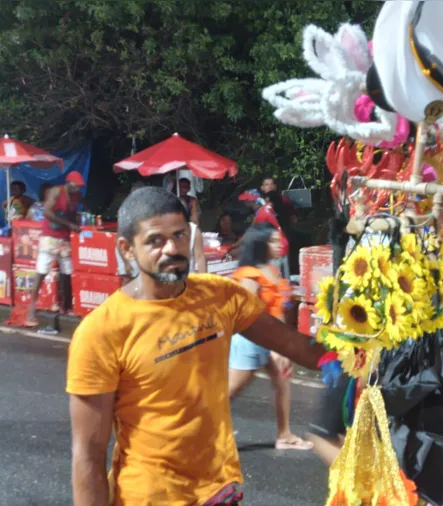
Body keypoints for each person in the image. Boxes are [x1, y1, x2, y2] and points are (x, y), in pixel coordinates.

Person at [66, 187, 325, 506]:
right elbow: (88, 456)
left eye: (178, 235)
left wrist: (366, 351)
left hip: (220, 492)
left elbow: (296, 346)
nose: (171, 248)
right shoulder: (101, 332)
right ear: (127, 249)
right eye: (155, 240)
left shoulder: (220, 296)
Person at [227, 222, 313, 451]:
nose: (279, 245)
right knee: (229, 392)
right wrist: (276, 347)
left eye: (279, 240)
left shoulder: (271, 269)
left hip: (269, 340)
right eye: (273, 241)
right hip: (250, 342)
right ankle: (195, 433)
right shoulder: (250, 275)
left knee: (282, 382)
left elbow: (276, 309)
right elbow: (247, 316)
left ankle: (284, 435)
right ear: (260, 243)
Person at [26, 172, 84, 326]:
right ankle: (31, 310)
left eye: (79, 187)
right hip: (50, 237)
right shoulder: (57, 191)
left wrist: (76, 223)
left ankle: (66, 306)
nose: (77, 189)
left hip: (64, 238)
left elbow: (73, 213)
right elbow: (46, 212)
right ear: (68, 183)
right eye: (75, 186)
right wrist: (68, 224)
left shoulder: (75, 196)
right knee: (42, 272)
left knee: (67, 272)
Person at [238, 189, 290, 278]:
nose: (244, 204)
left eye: (246, 201)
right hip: (283, 244)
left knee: (274, 280)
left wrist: (234, 245)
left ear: (250, 202)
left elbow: (250, 234)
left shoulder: (261, 215)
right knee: (285, 280)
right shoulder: (266, 208)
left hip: (275, 248)